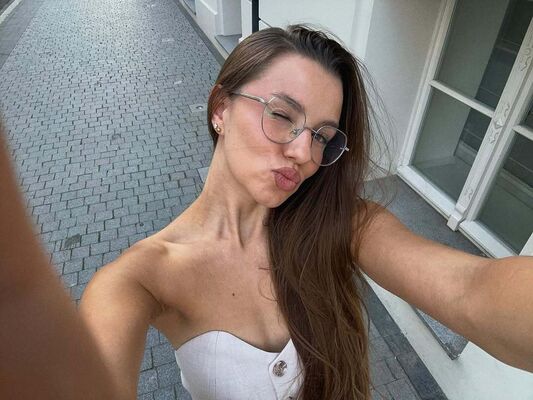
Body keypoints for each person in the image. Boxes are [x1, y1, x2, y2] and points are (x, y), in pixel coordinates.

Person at [1, 24, 532, 400]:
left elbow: (470, 291)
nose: (304, 153)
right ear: (220, 108)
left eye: (323, 136)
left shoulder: (344, 225)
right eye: (282, 115)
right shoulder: (142, 278)